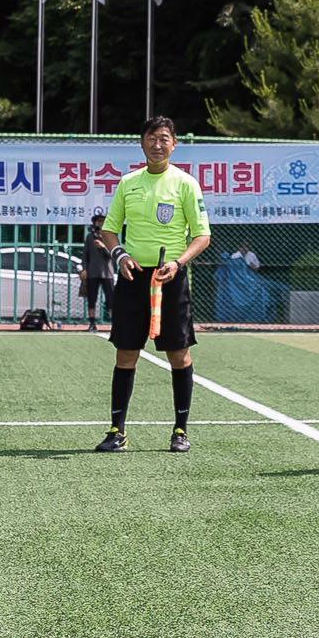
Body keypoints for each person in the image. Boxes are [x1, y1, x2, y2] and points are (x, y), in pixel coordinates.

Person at [93, 117, 211, 452]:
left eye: (164, 139)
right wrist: (120, 255)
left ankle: (180, 431)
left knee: (178, 353)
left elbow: (202, 235)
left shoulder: (185, 183)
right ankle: (117, 431)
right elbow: (109, 229)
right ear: (141, 142)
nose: (157, 145)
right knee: (126, 352)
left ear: (174, 144)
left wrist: (177, 263)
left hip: (170, 279)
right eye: (151, 138)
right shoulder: (128, 182)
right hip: (133, 278)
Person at [78, 211, 113, 332]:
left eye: (102, 221)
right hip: (92, 273)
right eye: (98, 221)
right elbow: (85, 255)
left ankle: (114, 323)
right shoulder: (90, 237)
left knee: (111, 299)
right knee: (92, 298)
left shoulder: (110, 236)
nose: (100, 223)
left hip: (107, 273)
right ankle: (92, 323)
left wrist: (103, 247)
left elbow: (112, 255)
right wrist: (84, 269)